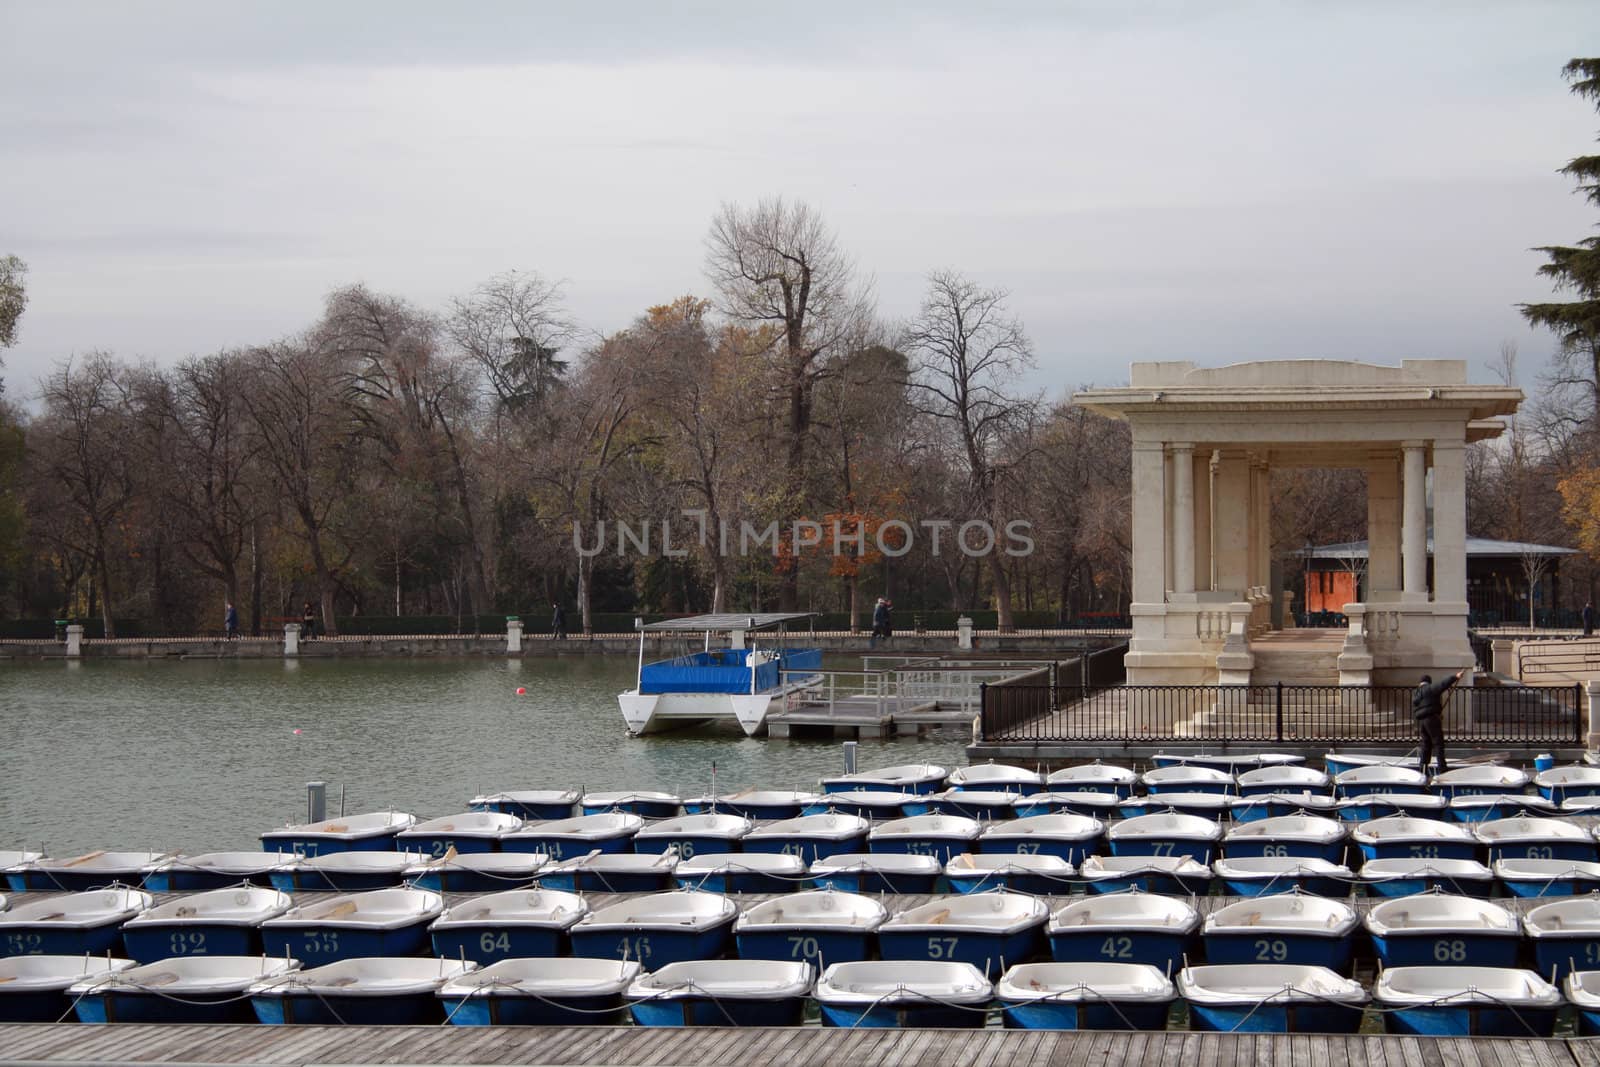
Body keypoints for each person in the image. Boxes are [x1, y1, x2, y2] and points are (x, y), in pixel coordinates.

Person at [1413, 669, 1465, 778]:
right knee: (1438, 744)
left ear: (1420, 683)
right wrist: (1456, 676)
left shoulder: (1417, 693)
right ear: (1429, 682)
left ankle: (1423, 770)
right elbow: (1443, 684)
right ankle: (1443, 770)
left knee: (1426, 745)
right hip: (1432, 719)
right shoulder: (1430, 688)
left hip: (1422, 721)